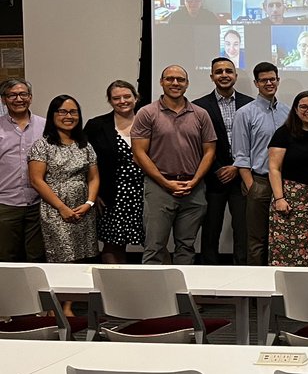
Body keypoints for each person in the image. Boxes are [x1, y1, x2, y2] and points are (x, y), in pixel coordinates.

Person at [131, 65, 217, 265]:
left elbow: (210, 152)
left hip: (193, 189)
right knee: (154, 247)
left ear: (187, 84)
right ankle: (154, 286)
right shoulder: (147, 113)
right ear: (161, 82)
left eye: (180, 79)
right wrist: (165, 183)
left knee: (186, 247)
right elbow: (139, 153)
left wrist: (195, 181)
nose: (175, 83)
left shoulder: (200, 114)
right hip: (159, 188)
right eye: (170, 79)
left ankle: (181, 286)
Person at [28, 95, 99, 266]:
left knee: (85, 258)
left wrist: (89, 203)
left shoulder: (85, 145)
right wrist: (62, 208)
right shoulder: (42, 145)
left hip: (83, 210)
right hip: (56, 210)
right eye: (62, 112)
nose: (69, 116)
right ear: (52, 115)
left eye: (73, 112)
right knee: (63, 259)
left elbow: (94, 177)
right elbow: (36, 180)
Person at [194, 58, 252, 265]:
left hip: (242, 176)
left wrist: (237, 167)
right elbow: (196, 145)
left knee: (243, 230)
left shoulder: (250, 104)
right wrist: (217, 168)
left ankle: (242, 272)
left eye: (229, 71)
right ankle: (209, 272)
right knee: (210, 229)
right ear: (212, 77)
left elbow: (256, 141)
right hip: (213, 177)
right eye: (219, 72)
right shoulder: (199, 106)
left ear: (235, 75)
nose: (224, 75)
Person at [232, 62, 287, 266]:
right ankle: (256, 281)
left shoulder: (288, 112)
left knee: (282, 237)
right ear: (256, 83)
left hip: (285, 183)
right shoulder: (245, 113)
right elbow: (240, 154)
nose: (269, 83)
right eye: (264, 80)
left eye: (272, 79)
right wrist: (251, 186)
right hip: (260, 182)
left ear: (278, 81)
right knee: (257, 240)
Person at [268, 91, 308, 267]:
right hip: (291, 198)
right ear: (295, 109)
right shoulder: (283, 133)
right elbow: (274, 168)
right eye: (303, 106)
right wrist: (279, 199)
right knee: (289, 249)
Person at [84, 80, 143, 264]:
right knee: (113, 245)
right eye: (116, 98)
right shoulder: (97, 125)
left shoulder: (149, 121)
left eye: (127, 96)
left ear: (136, 98)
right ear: (110, 101)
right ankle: (115, 281)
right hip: (112, 196)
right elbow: (85, 161)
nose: (122, 101)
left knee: (155, 242)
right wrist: (94, 193)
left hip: (146, 194)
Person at [0, 78, 46, 261]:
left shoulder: (45, 126)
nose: (18, 99)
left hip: (39, 203)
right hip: (5, 204)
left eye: (23, 94)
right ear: (3, 99)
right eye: (12, 95)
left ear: (30, 97)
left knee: (38, 257)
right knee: (6, 257)